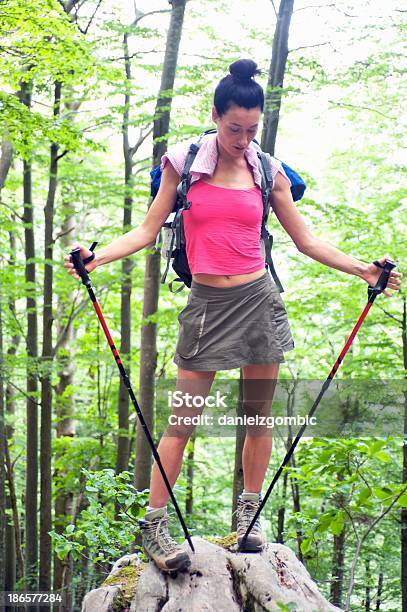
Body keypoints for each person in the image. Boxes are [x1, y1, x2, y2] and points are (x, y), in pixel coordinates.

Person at [64, 59, 402, 573]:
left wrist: (364, 270)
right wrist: (97, 257)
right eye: (233, 128)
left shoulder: (267, 170)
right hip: (206, 306)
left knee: (256, 416)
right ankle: (155, 523)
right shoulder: (184, 164)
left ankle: (248, 516)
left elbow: (305, 240)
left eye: (251, 129)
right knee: (181, 423)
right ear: (216, 117)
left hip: (260, 301)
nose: (243, 138)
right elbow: (147, 231)